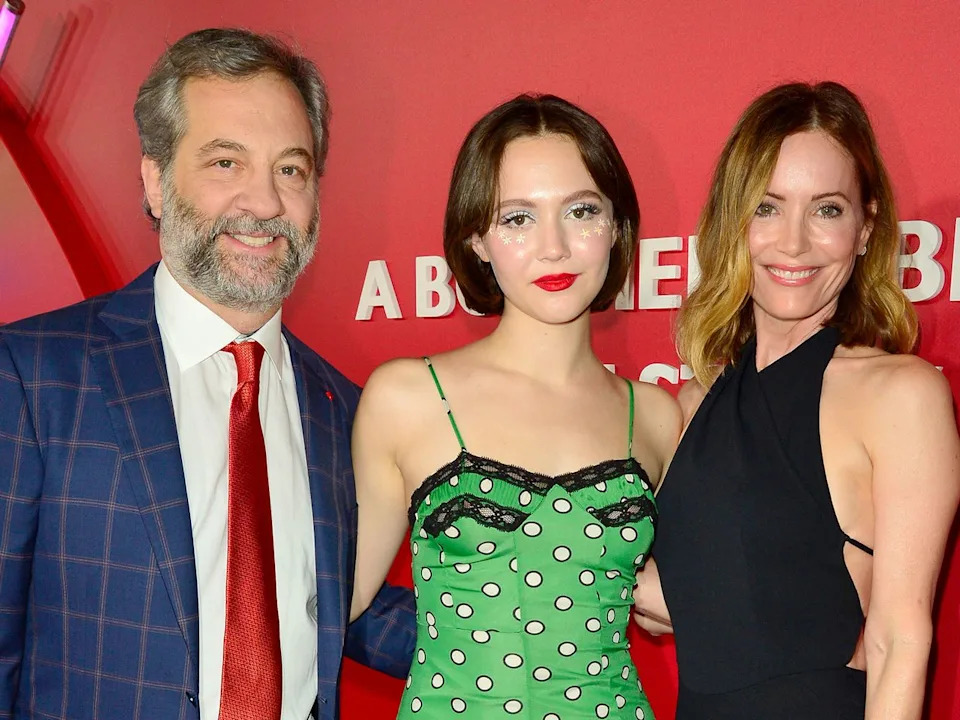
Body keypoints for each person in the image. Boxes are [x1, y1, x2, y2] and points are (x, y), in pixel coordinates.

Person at [0, 28, 415, 720]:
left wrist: (570, 619)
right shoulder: (34, 378)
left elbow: (347, 608)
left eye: (292, 169)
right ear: (156, 182)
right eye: (226, 163)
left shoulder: (344, 408)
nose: (264, 203)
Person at [349, 93, 681, 719]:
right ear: (476, 238)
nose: (553, 247)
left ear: (616, 226)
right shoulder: (408, 397)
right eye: (518, 219)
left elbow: (684, 603)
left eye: (581, 211)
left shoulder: (657, 417)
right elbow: (334, 601)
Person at [638, 81, 960, 719]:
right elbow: (663, 611)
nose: (793, 242)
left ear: (866, 229)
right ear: (734, 222)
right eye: (767, 206)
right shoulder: (686, 405)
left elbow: (900, 641)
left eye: (827, 209)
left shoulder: (900, 395)